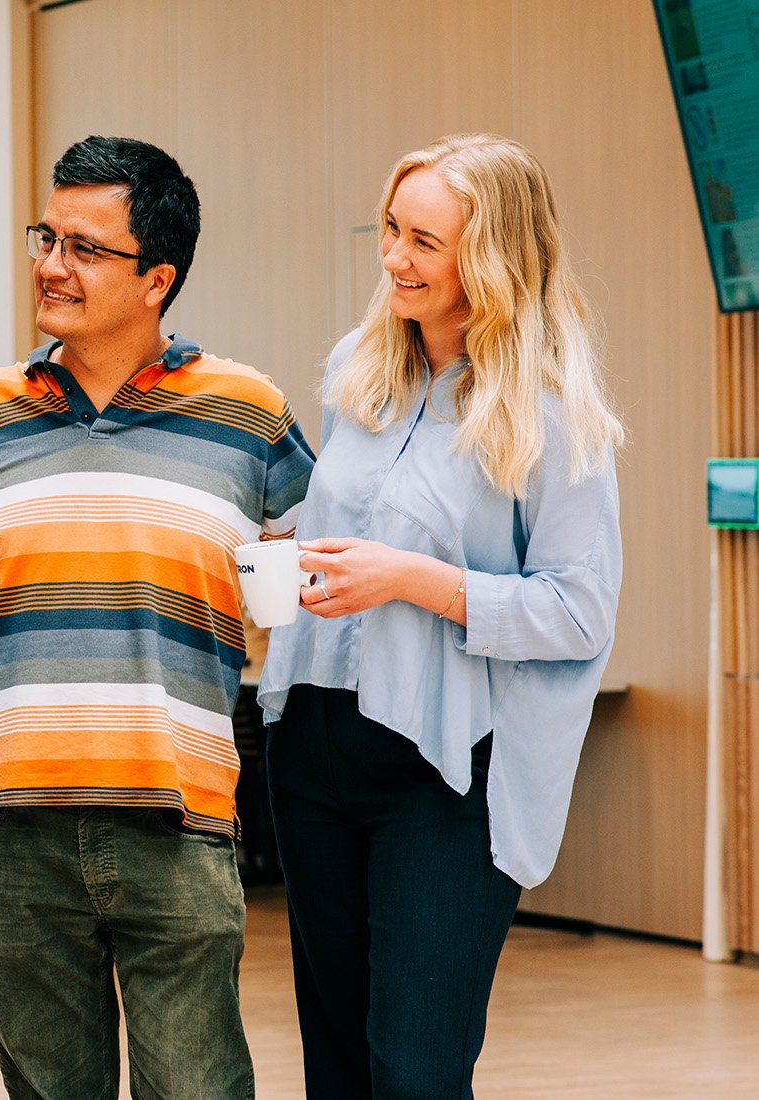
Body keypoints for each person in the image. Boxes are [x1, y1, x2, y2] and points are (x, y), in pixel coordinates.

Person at [0, 135, 314, 1099]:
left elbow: (321, 568)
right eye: (45, 237)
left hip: (179, 821)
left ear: (157, 278)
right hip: (9, 825)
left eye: (83, 248)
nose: (51, 266)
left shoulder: (251, 414)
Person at [257, 133, 623, 1099]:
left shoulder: (552, 409)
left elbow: (579, 614)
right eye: (390, 229)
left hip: (447, 767)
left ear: (493, 259)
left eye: (425, 241)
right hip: (313, 744)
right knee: (335, 1064)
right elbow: (341, 528)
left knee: (414, 1069)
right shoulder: (357, 367)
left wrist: (416, 579)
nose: (394, 259)